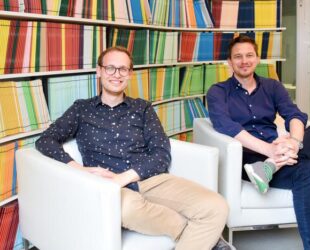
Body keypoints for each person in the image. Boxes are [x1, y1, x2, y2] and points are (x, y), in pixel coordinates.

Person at [36, 46, 235, 250]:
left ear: (130, 74)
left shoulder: (143, 108)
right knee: (127, 208)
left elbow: (161, 153)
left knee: (216, 206)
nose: (117, 74)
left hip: (149, 179)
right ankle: (206, 239)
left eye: (123, 69)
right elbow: (45, 140)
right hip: (108, 186)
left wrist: (125, 177)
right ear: (99, 71)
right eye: (110, 68)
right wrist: (78, 168)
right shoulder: (81, 109)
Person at [207, 35, 310, 250]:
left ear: (257, 58)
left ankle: (270, 166)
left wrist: (294, 143)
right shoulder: (218, 91)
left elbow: (293, 115)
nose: (244, 61)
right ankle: (269, 164)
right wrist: (270, 149)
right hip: (248, 158)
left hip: (275, 154)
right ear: (229, 62)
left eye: (249, 55)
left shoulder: (272, 86)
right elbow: (225, 126)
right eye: (238, 57)